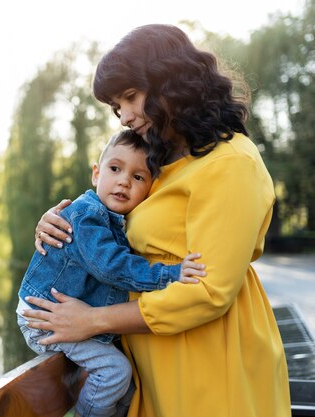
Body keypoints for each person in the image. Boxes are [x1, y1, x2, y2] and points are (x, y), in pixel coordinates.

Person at [22, 24, 291, 417]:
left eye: (131, 97)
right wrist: (62, 223)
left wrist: (94, 321)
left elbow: (208, 291)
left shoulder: (232, 162)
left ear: (172, 81)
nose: (125, 117)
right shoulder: (157, 163)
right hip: (155, 363)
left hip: (211, 361)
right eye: (117, 108)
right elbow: (113, 224)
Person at [17, 129, 206, 417]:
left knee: (128, 391)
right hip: (45, 317)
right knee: (115, 372)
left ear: (150, 189)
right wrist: (171, 274)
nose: (123, 181)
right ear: (96, 173)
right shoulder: (86, 215)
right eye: (115, 169)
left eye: (138, 177)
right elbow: (111, 267)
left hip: (66, 317)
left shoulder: (117, 221)